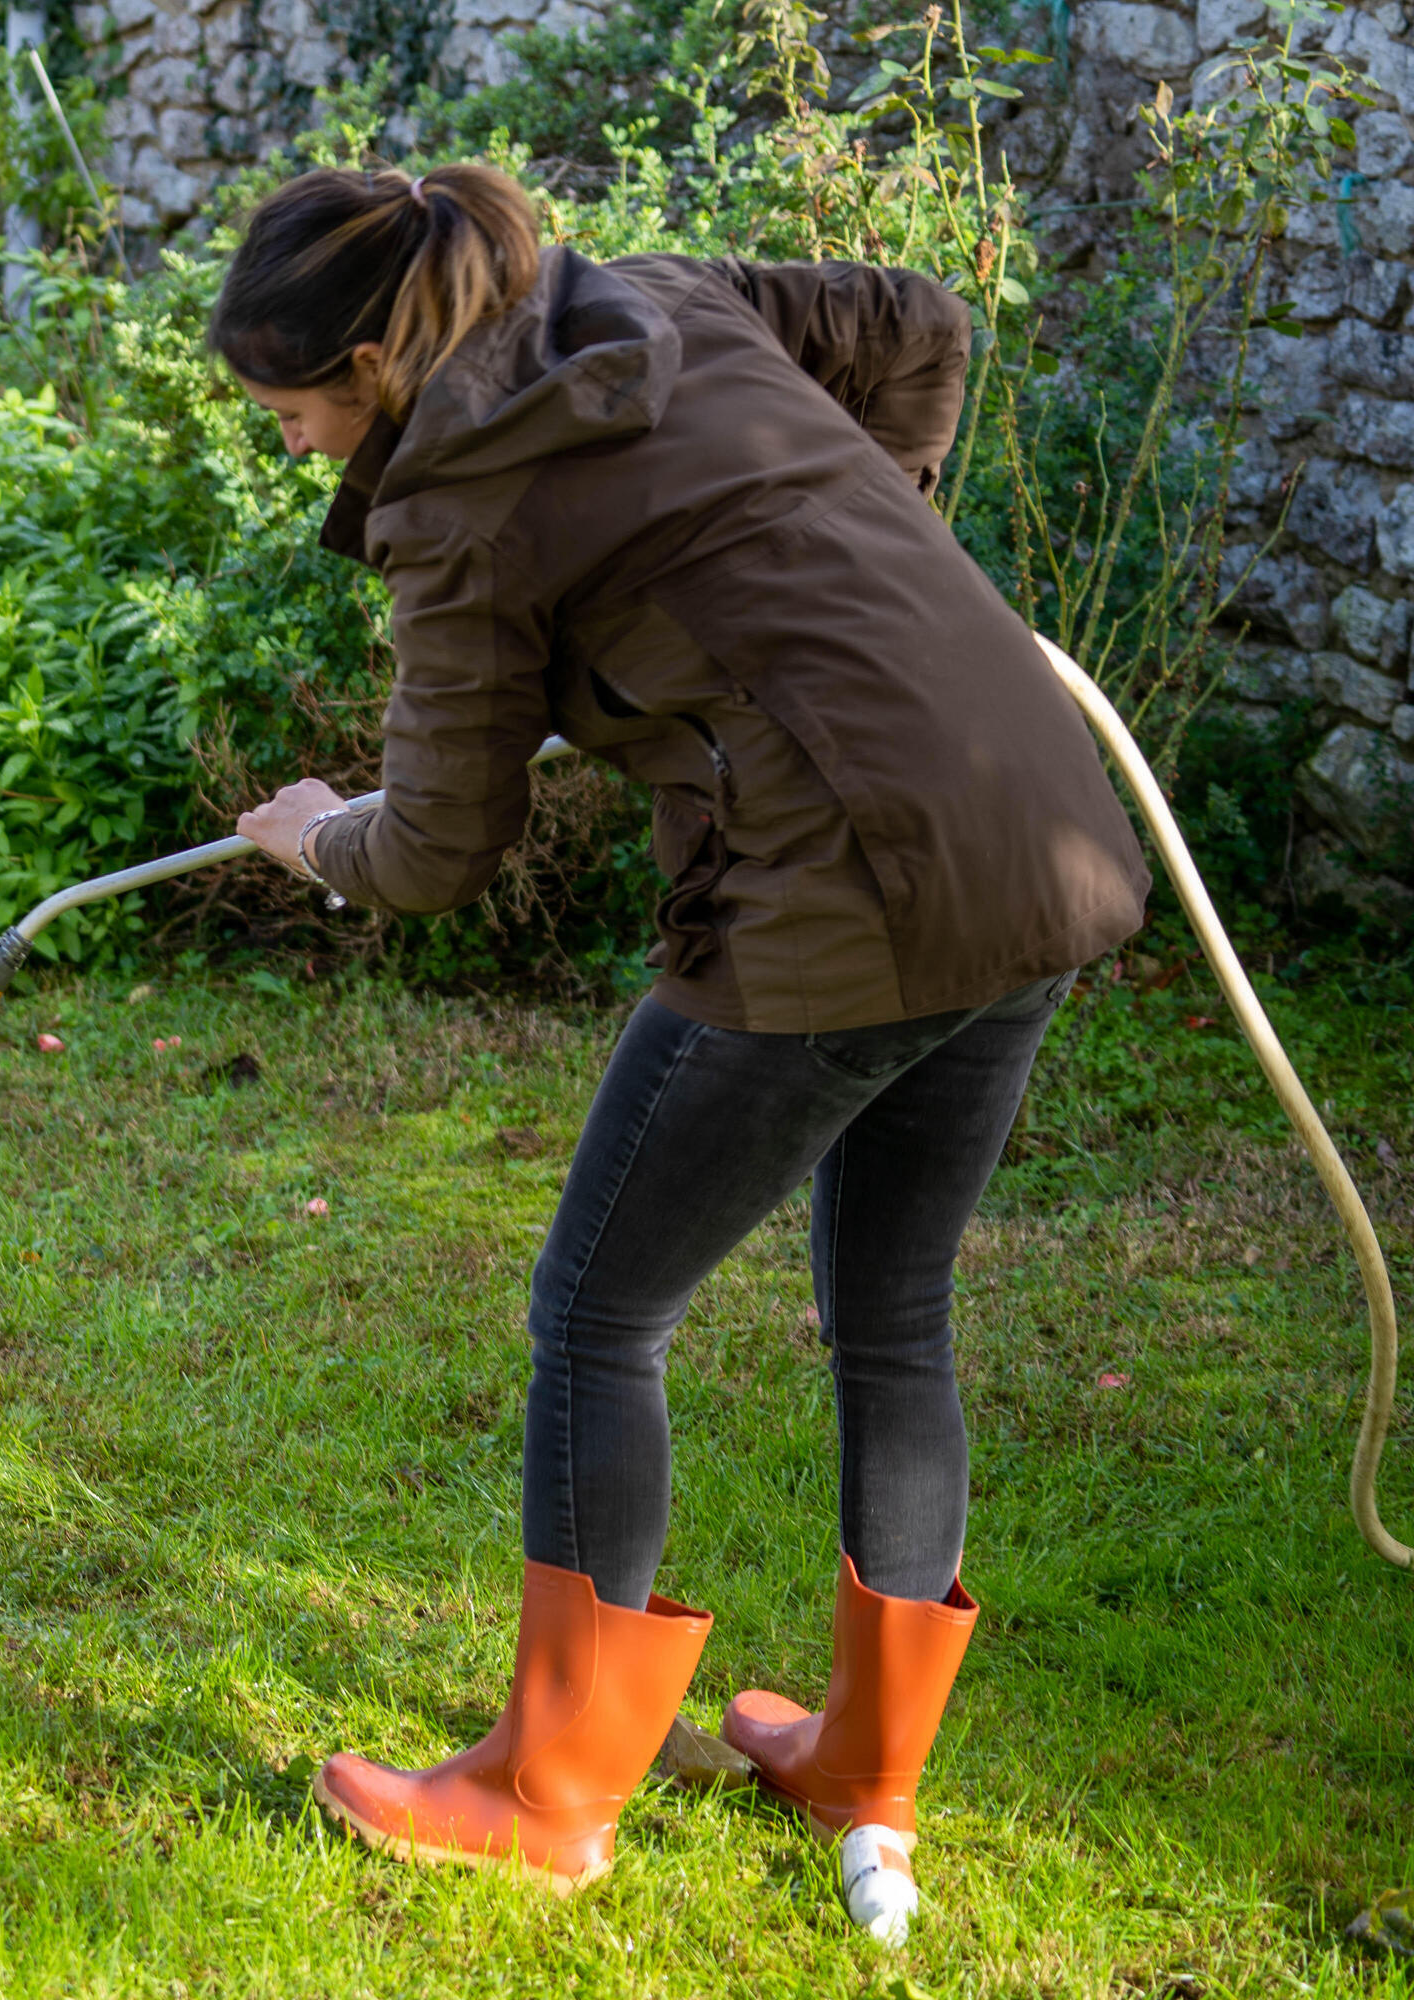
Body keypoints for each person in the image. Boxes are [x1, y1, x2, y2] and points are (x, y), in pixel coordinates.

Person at [215, 166, 1149, 1939]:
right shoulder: (650, 291)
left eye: (291, 419)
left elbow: (435, 850)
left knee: (596, 1310)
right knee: (894, 1312)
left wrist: (316, 835)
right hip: (1033, 836)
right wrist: (852, 558)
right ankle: (864, 1767)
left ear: (367, 363)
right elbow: (926, 327)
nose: (292, 453)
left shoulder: (455, 505)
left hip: (845, 893)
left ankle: (543, 1792)